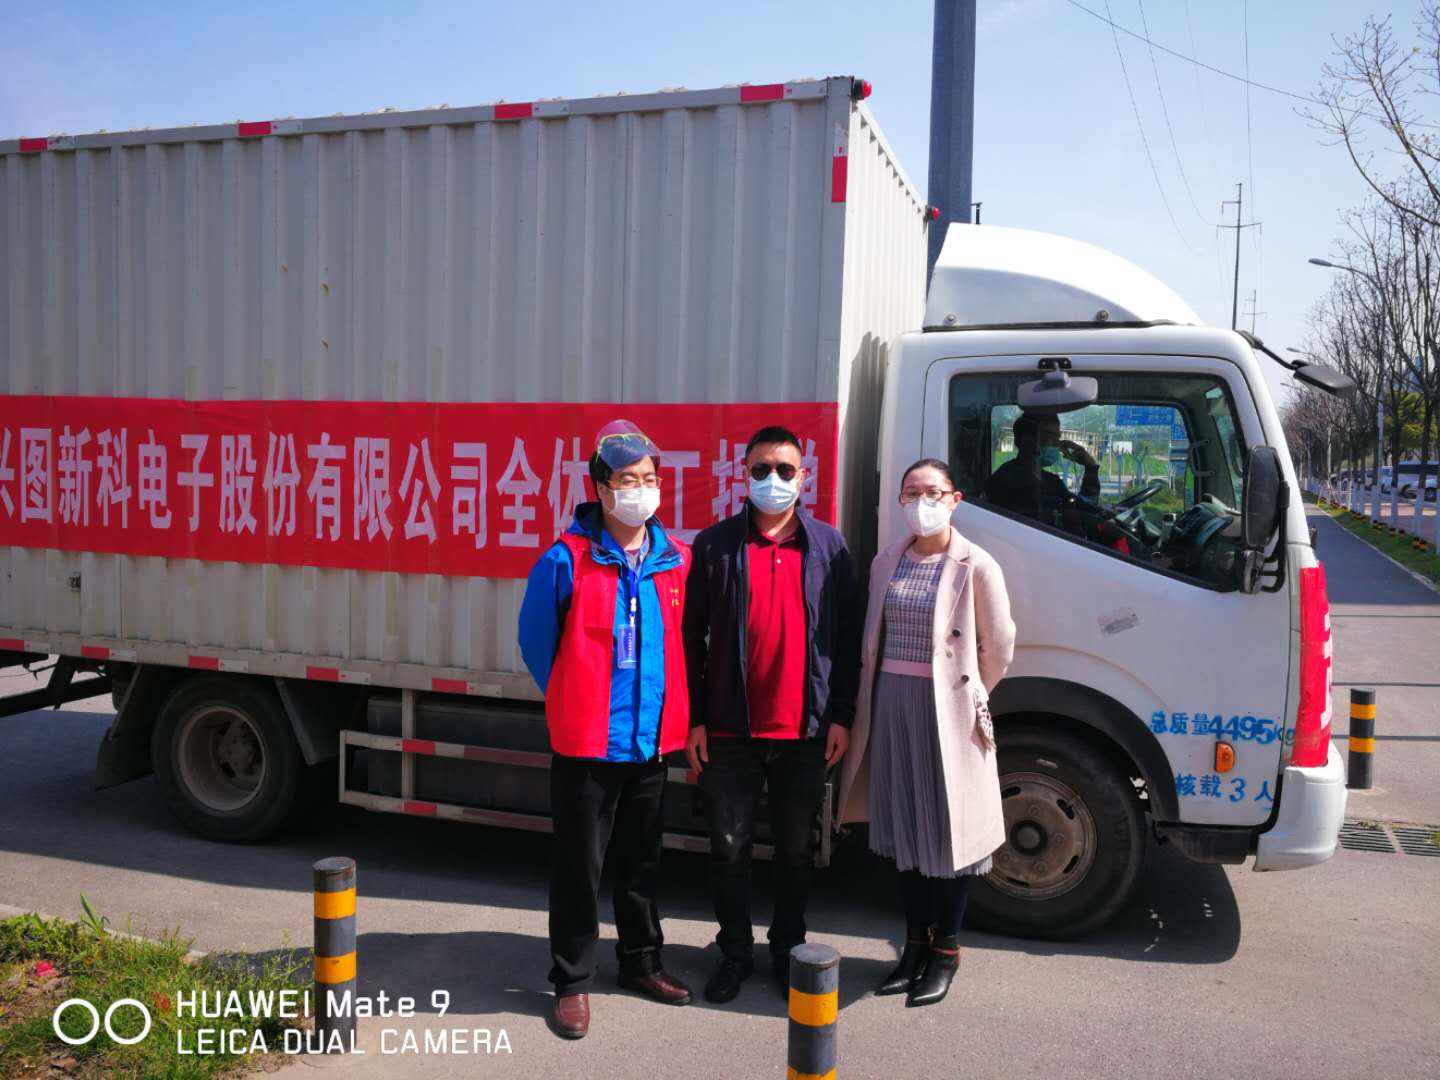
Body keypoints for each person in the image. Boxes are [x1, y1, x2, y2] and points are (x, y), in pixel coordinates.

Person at [518, 420, 694, 1040]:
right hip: (587, 742)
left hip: (650, 741)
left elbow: (684, 646)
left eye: (649, 479)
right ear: (600, 488)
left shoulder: (676, 561)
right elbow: (537, 645)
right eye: (626, 480)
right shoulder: (565, 560)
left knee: (642, 862)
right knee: (579, 866)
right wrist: (577, 697)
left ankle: (642, 963)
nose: (640, 490)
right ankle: (571, 982)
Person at [683, 425, 862, 1004]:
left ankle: (788, 948)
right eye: (761, 469)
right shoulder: (715, 546)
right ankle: (734, 952)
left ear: (803, 477)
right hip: (728, 730)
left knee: (795, 851)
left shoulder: (829, 547)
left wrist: (842, 716)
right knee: (728, 848)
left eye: (785, 470)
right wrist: (694, 719)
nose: (773, 479)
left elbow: (849, 638)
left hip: (805, 732)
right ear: (744, 475)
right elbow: (690, 638)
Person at [837, 458, 1016, 1008]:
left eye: (933, 492)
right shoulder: (885, 561)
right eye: (911, 492)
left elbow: (999, 646)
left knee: (950, 833)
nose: (922, 502)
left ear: (955, 499)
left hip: (948, 711)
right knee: (906, 829)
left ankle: (946, 952)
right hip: (891, 703)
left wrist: (964, 692)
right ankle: (913, 946)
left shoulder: (976, 564)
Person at [984, 412, 1100, 518]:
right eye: (1050, 436)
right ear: (1027, 440)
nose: (1057, 443)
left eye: (1058, 438)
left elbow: (1086, 508)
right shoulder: (1005, 479)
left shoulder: (1052, 481)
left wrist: (1090, 467)